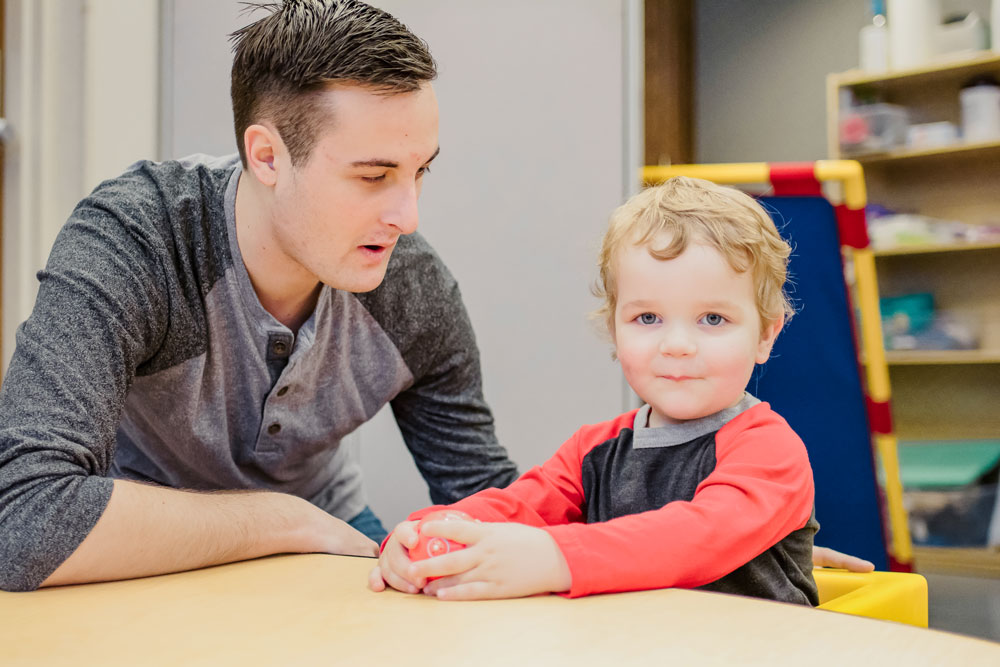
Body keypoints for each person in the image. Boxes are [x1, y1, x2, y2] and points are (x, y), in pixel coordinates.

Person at [0, 0, 869, 593]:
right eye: (373, 175)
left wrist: (719, 540)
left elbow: (491, 491)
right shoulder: (139, 240)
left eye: (420, 172)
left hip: (336, 543)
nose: (407, 214)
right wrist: (282, 520)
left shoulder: (409, 285)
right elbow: (23, 518)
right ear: (267, 156)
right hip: (131, 554)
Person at [370, 176, 826, 603]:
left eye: (713, 319)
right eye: (647, 318)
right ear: (614, 328)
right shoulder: (594, 448)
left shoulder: (769, 450)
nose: (678, 346)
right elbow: (513, 507)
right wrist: (419, 534)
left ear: (766, 335)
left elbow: (695, 538)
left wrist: (553, 557)